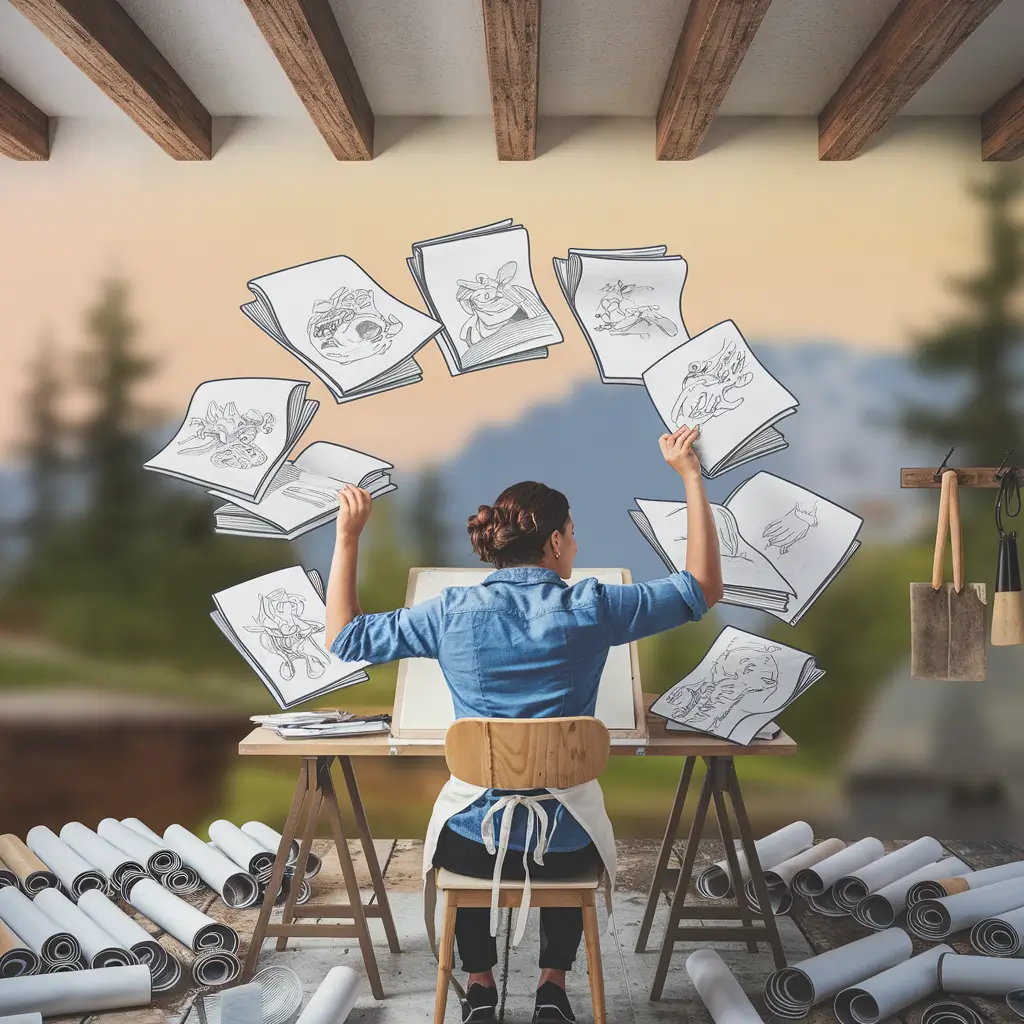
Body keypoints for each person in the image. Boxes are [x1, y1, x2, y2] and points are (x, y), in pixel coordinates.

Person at [325, 425, 723, 1024]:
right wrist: (691, 476)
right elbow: (702, 589)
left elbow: (345, 638)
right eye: (574, 535)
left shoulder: (450, 611)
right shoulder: (592, 605)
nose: (576, 545)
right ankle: (552, 990)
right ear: (557, 540)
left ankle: (481, 990)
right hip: (566, 841)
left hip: (471, 839)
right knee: (569, 824)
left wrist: (348, 536)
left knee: (472, 834)